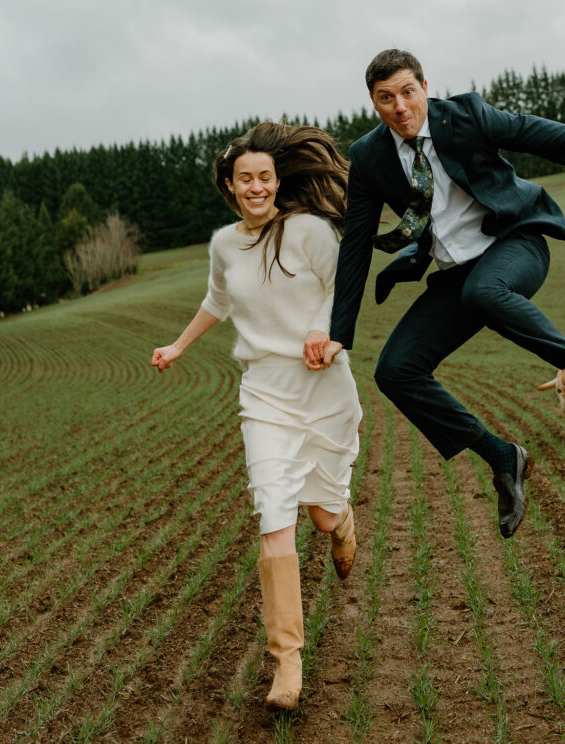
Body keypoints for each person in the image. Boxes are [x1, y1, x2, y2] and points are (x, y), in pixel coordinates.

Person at [322, 49, 565, 539]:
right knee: (395, 371)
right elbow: (354, 244)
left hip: (515, 244)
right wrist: (338, 334)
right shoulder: (370, 156)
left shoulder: (467, 117)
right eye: (385, 98)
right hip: (455, 276)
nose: (399, 106)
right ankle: (504, 458)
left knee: (484, 290)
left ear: (424, 87)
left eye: (407, 92)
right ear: (374, 103)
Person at [151, 122, 362, 711]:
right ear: (230, 184)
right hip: (264, 393)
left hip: (322, 387)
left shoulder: (309, 231)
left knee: (320, 518)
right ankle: (287, 664)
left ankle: (342, 518)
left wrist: (326, 332)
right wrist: (178, 346)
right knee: (273, 519)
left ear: (277, 181)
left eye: (265, 177)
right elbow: (217, 300)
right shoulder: (224, 244)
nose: (256, 187)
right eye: (245, 178)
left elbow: (340, 286)